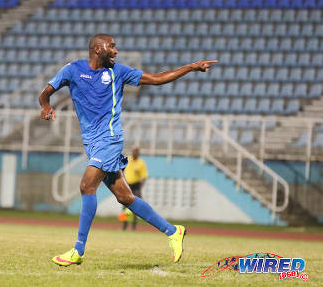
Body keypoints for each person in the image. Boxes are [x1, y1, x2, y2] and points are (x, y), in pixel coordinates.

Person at [39, 33, 216, 266]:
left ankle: (78, 250)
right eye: (111, 47)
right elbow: (46, 92)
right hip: (92, 142)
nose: (116, 51)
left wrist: (190, 68)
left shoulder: (118, 72)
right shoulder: (72, 70)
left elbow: (157, 79)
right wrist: (45, 106)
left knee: (86, 185)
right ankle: (173, 231)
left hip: (110, 139)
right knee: (125, 197)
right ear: (97, 49)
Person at [120, 147, 147, 231]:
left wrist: (139, 189)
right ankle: (124, 226)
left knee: (136, 207)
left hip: (136, 186)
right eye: (133, 152)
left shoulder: (141, 163)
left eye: (136, 152)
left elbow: (144, 177)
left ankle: (133, 227)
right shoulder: (127, 159)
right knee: (124, 206)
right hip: (127, 185)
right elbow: (120, 170)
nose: (134, 154)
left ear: (138, 154)